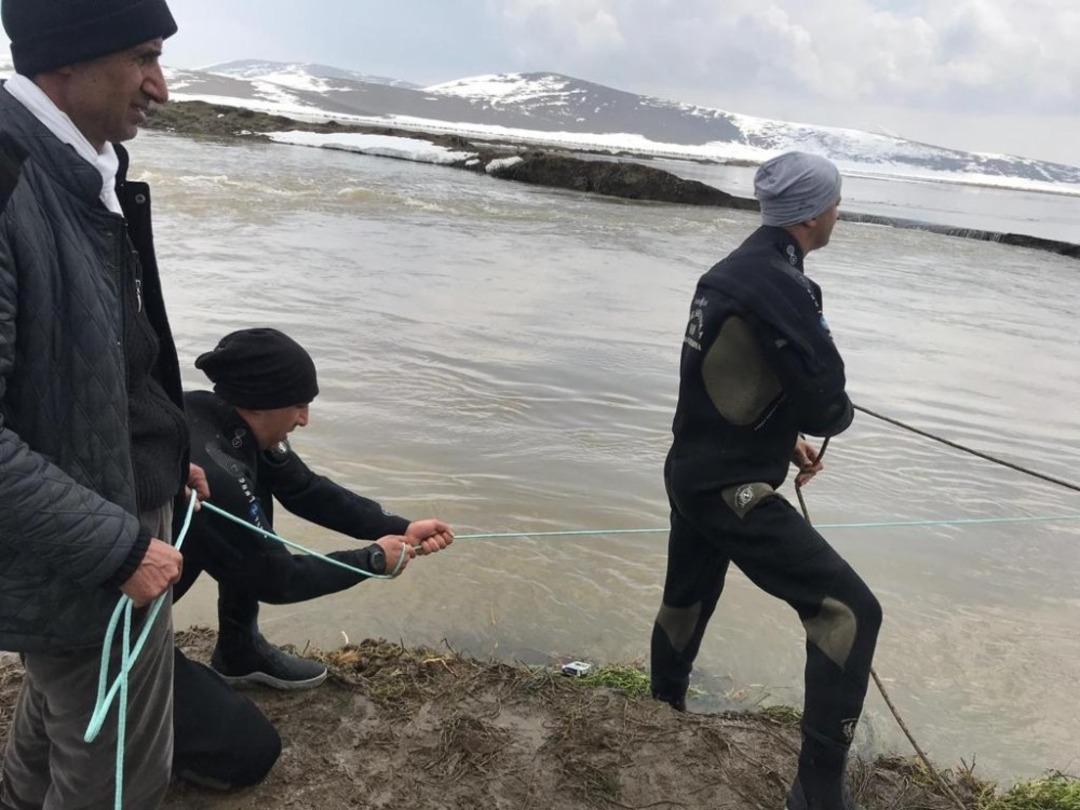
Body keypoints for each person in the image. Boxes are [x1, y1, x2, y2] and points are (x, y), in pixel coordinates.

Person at [0, 1, 206, 807]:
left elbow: (108, 355)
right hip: (89, 546)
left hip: (107, 514)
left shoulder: (82, 166)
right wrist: (119, 547)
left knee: (60, 709)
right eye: (144, 57)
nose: (160, 86)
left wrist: (163, 447)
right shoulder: (12, 177)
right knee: (116, 775)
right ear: (66, 61)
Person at [650, 152, 882, 810]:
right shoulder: (785, 285)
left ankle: (659, 716)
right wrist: (824, 420)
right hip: (730, 488)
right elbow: (826, 401)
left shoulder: (731, 271)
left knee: (687, 596)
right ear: (813, 213)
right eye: (836, 201)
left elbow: (725, 380)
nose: (840, 211)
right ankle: (817, 794)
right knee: (848, 611)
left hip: (690, 472)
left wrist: (785, 441)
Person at [169, 327, 454, 790]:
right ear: (260, 400)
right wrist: (372, 561)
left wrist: (401, 528)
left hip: (130, 606)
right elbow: (278, 579)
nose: (305, 419)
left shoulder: (225, 423)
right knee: (251, 752)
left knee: (255, 486)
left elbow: (306, 489)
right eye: (299, 405)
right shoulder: (217, 469)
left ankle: (239, 652)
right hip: (104, 632)